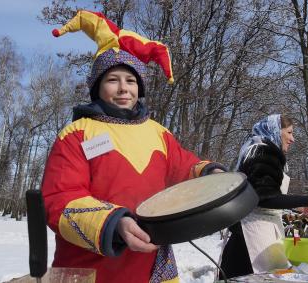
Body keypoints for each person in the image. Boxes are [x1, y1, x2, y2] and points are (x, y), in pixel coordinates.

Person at [41, 10, 226, 283]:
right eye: (112, 80)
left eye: (131, 81)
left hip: (152, 264)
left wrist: (209, 174)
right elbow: (60, 199)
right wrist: (114, 223)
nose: (123, 88)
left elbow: (183, 166)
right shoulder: (77, 133)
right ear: (97, 87)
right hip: (89, 268)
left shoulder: (157, 132)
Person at [219, 114, 308, 279]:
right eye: (289, 132)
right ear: (275, 130)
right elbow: (265, 198)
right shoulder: (263, 152)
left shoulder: (260, 149)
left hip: (256, 234)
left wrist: (298, 206)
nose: (292, 139)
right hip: (250, 239)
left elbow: (265, 196)